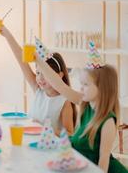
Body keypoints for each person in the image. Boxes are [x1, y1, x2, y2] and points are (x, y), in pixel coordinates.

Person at [35, 41, 128, 172]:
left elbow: (103, 161)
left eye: (85, 84)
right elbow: (60, 86)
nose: (81, 88)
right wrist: (38, 61)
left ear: (102, 88)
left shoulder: (108, 122)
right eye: (81, 84)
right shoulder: (85, 104)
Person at [0, 25, 76, 135]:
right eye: (38, 72)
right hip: (30, 142)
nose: (40, 78)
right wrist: (7, 35)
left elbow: (70, 133)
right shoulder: (39, 90)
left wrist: (44, 128)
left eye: (45, 74)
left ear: (59, 75)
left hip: (48, 148)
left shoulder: (64, 102)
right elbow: (21, 60)